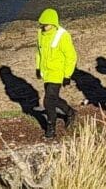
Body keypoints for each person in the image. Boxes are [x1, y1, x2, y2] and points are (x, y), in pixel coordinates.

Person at [36, 8, 77, 139]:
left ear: (53, 23)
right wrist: (38, 68)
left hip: (57, 73)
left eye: (46, 24)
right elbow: (39, 52)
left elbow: (71, 56)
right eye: (42, 24)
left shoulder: (63, 36)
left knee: (48, 101)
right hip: (46, 73)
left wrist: (67, 75)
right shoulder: (40, 34)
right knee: (53, 99)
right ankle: (70, 112)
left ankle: (51, 128)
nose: (43, 27)